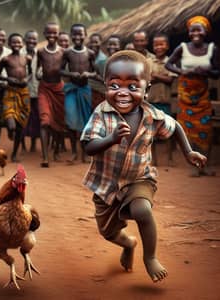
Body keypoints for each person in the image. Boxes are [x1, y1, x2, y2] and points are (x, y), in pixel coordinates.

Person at [80, 50, 207, 283]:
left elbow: (175, 126)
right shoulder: (102, 114)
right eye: (115, 85)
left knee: (142, 210)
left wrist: (188, 152)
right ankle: (129, 244)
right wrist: (110, 139)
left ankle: (150, 257)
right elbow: (88, 146)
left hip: (140, 178)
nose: (123, 93)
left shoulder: (152, 115)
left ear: (146, 90)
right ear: (105, 85)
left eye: (132, 86)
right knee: (108, 232)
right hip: (107, 185)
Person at [165, 16, 220, 176]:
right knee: (187, 130)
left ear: (205, 32)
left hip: (203, 96)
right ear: (189, 33)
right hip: (185, 96)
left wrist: (206, 71)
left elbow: (217, 72)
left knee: (206, 129)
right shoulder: (182, 47)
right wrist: (182, 71)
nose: (195, 33)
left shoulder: (212, 49)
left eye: (199, 29)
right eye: (192, 30)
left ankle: (204, 164)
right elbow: (168, 64)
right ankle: (194, 166)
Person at [61, 23, 97, 163]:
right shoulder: (67, 53)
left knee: (85, 122)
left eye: (80, 34)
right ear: (71, 36)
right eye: (74, 34)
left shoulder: (90, 53)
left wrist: (88, 73)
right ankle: (74, 152)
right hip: (72, 89)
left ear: (85, 35)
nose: (77, 37)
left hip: (85, 90)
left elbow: (95, 72)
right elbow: (60, 70)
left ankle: (84, 152)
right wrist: (71, 74)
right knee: (70, 120)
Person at [36, 22, 65, 167]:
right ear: (44, 34)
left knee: (59, 122)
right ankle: (45, 157)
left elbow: (66, 70)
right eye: (49, 33)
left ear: (59, 34)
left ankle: (57, 150)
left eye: (55, 33)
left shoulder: (63, 52)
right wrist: (38, 73)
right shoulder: (40, 52)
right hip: (44, 89)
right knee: (45, 121)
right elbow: (37, 69)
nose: (52, 36)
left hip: (59, 89)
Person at [0, 33, 31, 162]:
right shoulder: (5, 59)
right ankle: (10, 129)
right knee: (11, 123)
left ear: (22, 43)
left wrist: (26, 80)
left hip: (23, 93)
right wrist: (8, 78)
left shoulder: (27, 58)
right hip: (10, 92)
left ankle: (14, 154)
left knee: (20, 126)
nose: (16, 45)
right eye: (14, 42)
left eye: (19, 42)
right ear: (9, 44)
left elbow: (31, 73)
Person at [148, 33, 177, 166]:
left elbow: (170, 80)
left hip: (165, 101)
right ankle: (154, 160)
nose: (159, 47)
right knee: (151, 132)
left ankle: (170, 158)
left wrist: (155, 76)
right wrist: (161, 77)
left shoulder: (171, 61)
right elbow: (147, 79)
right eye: (156, 44)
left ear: (167, 46)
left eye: (162, 44)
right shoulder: (148, 62)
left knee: (168, 130)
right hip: (151, 102)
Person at [21, 30, 40, 153]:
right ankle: (22, 144)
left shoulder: (40, 54)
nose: (32, 41)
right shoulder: (19, 53)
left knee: (36, 119)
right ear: (25, 39)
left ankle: (33, 144)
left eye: (34, 39)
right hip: (23, 91)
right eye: (29, 39)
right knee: (23, 118)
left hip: (38, 92)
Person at [88, 32, 106, 111]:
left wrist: (95, 76)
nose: (93, 44)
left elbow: (105, 80)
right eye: (92, 42)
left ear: (100, 43)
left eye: (96, 42)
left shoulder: (103, 60)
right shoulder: (87, 56)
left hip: (100, 93)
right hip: (89, 93)